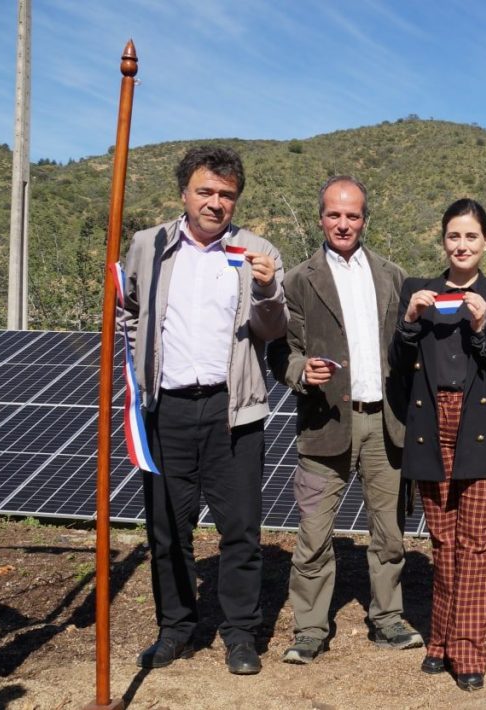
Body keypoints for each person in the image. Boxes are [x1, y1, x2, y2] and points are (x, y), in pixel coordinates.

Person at [122, 146, 287, 675]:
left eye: (226, 195)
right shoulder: (148, 245)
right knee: (168, 529)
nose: (216, 202)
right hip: (166, 408)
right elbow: (129, 311)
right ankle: (175, 629)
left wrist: (266, 288)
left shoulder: (257, 251)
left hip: (232, 411)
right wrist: (142, 367)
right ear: (184, 194)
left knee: (240, 529)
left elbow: (273, 329)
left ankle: (240, 634)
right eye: (205, 191)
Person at [267, 175, 422, 666]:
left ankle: (388, 619)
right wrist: (300, 371)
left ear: (364, 220)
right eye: (334, 214)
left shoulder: (393, 276)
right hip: (324, 423)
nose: (343, 223)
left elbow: (409, 345)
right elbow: (280, 351)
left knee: (389, 533)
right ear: (321, 219)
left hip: (385, 422)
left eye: (352, 215)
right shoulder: (298, 280)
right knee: (313, 533)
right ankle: (310, 628)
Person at [389, 199, 486, 692]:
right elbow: (396, 364)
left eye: (471, 236)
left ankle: (468, 650)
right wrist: (409, 320)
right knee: (443, 541)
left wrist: (484, 327)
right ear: (442, 240)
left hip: (482, 429)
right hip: (431, 427)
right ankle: (440, 640)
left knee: (477, 544)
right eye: (453, 236)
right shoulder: (417, 290)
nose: (461, 245)